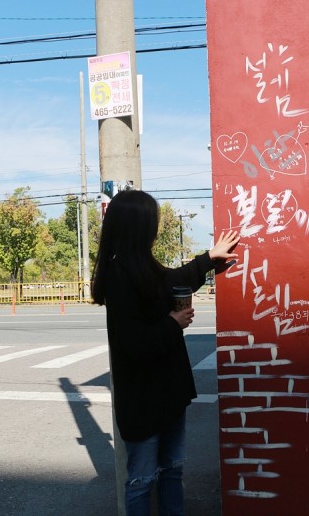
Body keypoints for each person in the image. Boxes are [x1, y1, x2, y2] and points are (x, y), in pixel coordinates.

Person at [91, 190, 240, 516]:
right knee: (142, 480)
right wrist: (173, 323)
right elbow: (133, 344)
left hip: (168, 393)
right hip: (143, 400)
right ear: (139, 226)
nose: (156, 228)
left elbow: (175, 279)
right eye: (152, 221)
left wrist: (209, 258)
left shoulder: (142, 266)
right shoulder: (119, 275)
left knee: (173, 470)